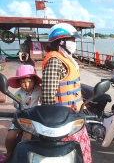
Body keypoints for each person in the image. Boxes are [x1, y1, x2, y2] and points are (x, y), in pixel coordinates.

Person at [41, 23, 92, 163]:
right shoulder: (55, 62)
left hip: (74, 117)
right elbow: (47, 97)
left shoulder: (67, 59)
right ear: (61, 42)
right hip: (62, 120)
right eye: (72, 40)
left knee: (82, 151)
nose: (74, 43)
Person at [0, 65, 42, 162]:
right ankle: (9, 152)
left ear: (35, 80)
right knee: (10, 137)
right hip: (22, 117)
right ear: (19, 82)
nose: (26, 85)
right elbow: (16, 105)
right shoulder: (18, 94)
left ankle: (23, 156)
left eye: (29, 81)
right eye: (23, 82)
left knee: (25, 139)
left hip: (34, 118)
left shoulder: (40, 90)